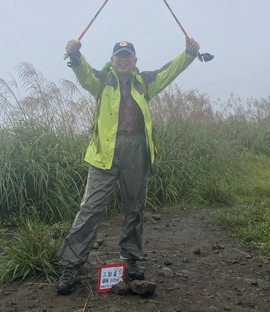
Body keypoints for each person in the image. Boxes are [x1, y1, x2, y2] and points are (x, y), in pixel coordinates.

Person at [57, 37, 200, 295]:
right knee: (90, 208)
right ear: (112, 61)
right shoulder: (102, 80)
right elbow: (83, 71)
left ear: (134, 61)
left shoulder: (144, 81)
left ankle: (131, 259)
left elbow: (170, 70)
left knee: (135, 207)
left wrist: (188, 54)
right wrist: (75, 56)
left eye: (128, 55)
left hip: (137, 150)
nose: (123, 59)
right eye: (119, 55)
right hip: (104, 152)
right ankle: (71, 264)